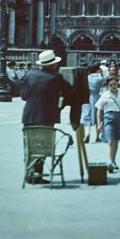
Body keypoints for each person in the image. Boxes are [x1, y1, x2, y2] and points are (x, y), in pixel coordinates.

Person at [21, 50, 75, 184]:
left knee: (31, 146)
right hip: (46, 117)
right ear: (52, 65)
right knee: (43, 146)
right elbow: (70, 91)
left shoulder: (30, 75)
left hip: (29, 116)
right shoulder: (55, 78)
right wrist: (61, 104)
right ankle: (36, 174)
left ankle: (29, 172)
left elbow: (24, 96)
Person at [94, 75, 120, 173]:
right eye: (111, 85)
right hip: (108, 118)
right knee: (110, 141)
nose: (113, 86)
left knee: (116, 140)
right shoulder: (105, 95)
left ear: (117, 84)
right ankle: (109, 162)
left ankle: (113, 160)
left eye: (114, 84)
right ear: (107, 86)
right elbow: (99, 109)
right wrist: (99, 123)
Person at [80, 62, 105, 142]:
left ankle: (87, 133)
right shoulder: (100, 78)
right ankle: (97, 136)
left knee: (87, 115)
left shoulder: (86, 77)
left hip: (87, 97)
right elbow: (104, 85)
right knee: (98, 116)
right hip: (97, 96)